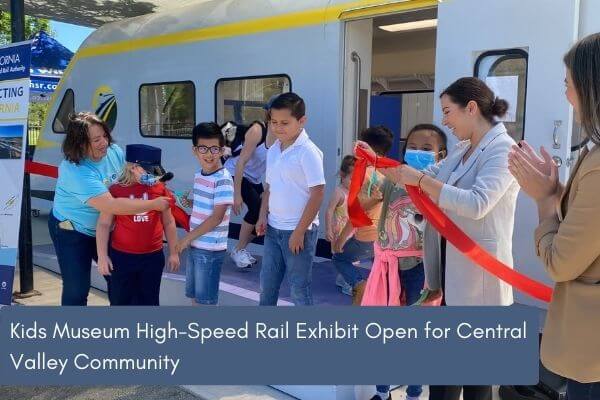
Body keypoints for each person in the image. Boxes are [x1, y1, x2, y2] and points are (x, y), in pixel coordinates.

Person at [366, 77, 519, 400]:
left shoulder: (503, 150)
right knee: (444, 381)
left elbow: (477, 203)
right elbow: (430, 178)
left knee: (476, 383)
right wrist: (378, 162)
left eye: (448, 112)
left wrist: (420, 179)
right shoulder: (465, 149)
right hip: (449, 274)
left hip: (479, 282)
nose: (445, 121)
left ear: (472, 108)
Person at [508, 32, 600, 399]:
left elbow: (562, 263)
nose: (566, 95)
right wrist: (561, 193)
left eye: (569, 84)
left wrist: (544, 202)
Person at [48, 112, 170, 306]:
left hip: (104, 227)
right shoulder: (74, 170)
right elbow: (112, 205)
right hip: (73, 230)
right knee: (77, 288)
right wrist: (154, 204)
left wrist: (146, 179)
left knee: (119, 279)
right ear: (79, 143)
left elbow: (126, 180)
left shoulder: (114, 152)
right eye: (96, 139)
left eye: (105, 135)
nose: (104, 142)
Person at [363, 124, 447, 400]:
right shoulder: (392, 180)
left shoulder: (439, 185)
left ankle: (413, 392)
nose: (418, 153)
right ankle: (382, 391)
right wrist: (369, 167)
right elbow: (365, 200)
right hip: (389, 269)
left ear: (441, 154)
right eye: (412, 147)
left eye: (426, 149)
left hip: (421, 270)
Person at [256, 92, 325, 306]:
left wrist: (299, 232)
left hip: (299, 233)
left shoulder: (308, 152)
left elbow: (318, 193)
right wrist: (262, 217)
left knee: (298, 289)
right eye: (274, 122)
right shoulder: (274, 149)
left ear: (301, 121)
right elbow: (269, 188)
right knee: (267, 286)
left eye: (285, 122)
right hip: (273, 230)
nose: (278, 127)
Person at [96, 144, 180, 305]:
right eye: (149, 171)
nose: (153, 176)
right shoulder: (115, 191)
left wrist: (174, 252)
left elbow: (169, 222)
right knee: (120, 301)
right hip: (122, 257)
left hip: (152, 257)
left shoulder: (160, 189)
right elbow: (104, 224)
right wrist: (102, 256)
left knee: (149, 301)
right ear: (133, 167)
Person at [176, 122, 234, 305]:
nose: (209, 154)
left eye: (214, 149)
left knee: (206, 302)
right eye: (203, 148)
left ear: (222, 150)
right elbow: (208, 206)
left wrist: (186, 239)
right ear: (195, 150)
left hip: (209, 250)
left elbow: (217, 218)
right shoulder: (199, 175)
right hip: (196, 245)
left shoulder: (223, 179)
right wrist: (191, 203)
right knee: (195, 297)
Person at [332, 126, 389, 303]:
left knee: (339, 259)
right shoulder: (387, 172)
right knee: (379, 265)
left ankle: (359, 284)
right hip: (385, 236)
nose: (356, 148)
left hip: (366, 235)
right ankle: (379, 288)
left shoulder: (363, 174)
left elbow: (358, 213)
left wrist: (340, 240)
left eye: (360, 145)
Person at [222, 96, 277, 268]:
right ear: (268, 113)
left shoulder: (281, 137)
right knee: (255, 208)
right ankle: (238, 250)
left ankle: (240, 249)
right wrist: (237, 194)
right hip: (235, 173)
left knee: (264, 214)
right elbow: (240, 163)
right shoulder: (257, 130)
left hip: (253, 178)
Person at [324, 155, 355, 295]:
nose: (354, 182)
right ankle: (345, 282)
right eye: (351, 179)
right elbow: (329, 210)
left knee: (351, 258)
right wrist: (328, 229)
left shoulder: (354, 192)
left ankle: (342, 279)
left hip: (351, 231)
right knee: (344, 257)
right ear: (342, 175)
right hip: (340, 230)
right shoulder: (339, 192)